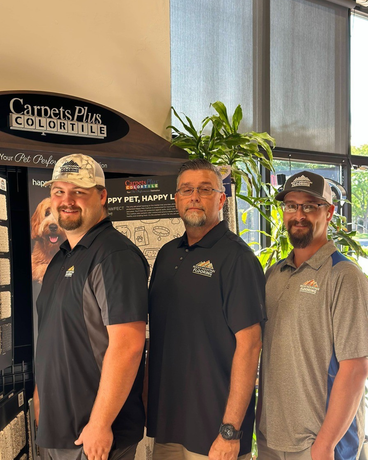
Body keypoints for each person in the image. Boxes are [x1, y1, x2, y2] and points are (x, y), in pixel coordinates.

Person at [147, 159, 266, 460]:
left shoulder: (237, 259)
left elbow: (250, 345)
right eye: (187, 190)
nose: (195, 197)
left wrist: (230, 431)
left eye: (205, 189)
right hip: (169, 428)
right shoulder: (166, 255)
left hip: (215, 436)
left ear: (222, 199)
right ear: (176, 199)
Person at [33, 153, 149, 460]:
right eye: (59, 191)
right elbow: (53, 338)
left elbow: (128, 346)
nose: (66, 200)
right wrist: (40, 399)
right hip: (58, 430)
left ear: (102, 196)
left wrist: (100, 423)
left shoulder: (115, 256)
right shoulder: (62, 258)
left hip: (95, 436)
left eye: (79, 192)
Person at [258, 170, 368, 460]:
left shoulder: (344, 276)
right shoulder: (274, 274)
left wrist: (325, 445)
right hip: (271, 440)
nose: (299, 214)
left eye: (309, 206)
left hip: (318, 445)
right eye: (291, 206)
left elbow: (356, 368)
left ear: (329, 212)